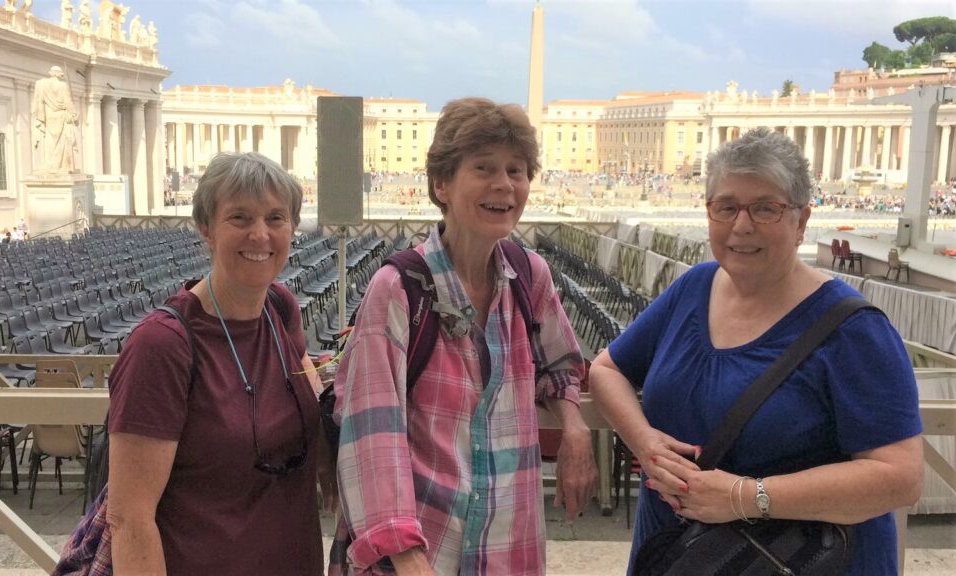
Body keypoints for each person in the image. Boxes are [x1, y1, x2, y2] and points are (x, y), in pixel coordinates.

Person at [589, 127, 923, 575]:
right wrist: (645, 442)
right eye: (726, 207)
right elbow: (607, 369)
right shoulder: (693, 287)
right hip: (679, 556)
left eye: (765, 208)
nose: (741, 226)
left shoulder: (855, 331)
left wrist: (743, 498)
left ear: (802, 221)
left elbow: (899, 478)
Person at [335, 97, 598, 575]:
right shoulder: (396, 290)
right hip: (423, 549)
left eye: (516, 170)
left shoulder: (530, 275)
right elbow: (371, 429)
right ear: (442, 184)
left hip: (508, 547)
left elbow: (561, 365)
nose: (504, 184)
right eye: (483, 167)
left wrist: (575, 426)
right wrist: (404, 553)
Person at [106, 152, 332, 575]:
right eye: (240, 218)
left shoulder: (280, 308)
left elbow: (310, 401)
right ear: (206, 229)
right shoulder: (161, 346)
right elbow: (129, 520)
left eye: (276, 218)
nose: (260, 235)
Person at [32, 66, 78, 174]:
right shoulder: (62, 86)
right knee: (60, 142)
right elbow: (68, 102)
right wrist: (74, 115)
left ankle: (50, 164)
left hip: (48, 115)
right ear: (58, 74)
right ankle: (58, 165)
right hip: (60, 116)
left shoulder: (42, 84)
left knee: (49, 141)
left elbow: (39, 100)